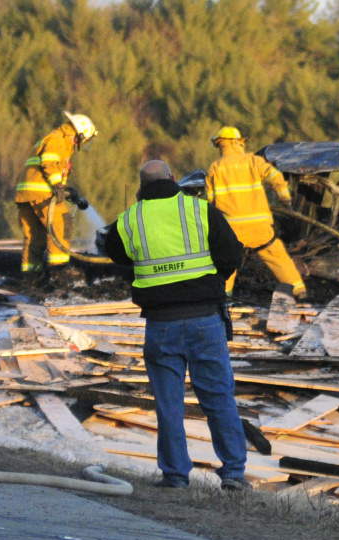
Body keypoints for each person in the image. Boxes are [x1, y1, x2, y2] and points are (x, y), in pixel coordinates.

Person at [104, 160, 251, 490]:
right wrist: (211, 283)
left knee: (168, 404)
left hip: (161, 324)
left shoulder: (129, 220)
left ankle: (174, 476)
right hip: (205, 320)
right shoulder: (201, 209)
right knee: (219, 399)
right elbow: (231, 254)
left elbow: (116, 254)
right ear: (173, 179)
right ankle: (233, 474)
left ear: (141, 186)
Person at [204, 126, 306, 298]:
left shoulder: (215, 168)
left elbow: (211, 201)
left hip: (232, 230)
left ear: (221, 146)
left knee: (226, 262)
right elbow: (276, 178)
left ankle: (224, 297)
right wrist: (285, 199)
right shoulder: (254, 162)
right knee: (277, 256)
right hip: (259, 228)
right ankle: (298, 290)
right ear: (238, 143)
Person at [15, 111, 97, 273]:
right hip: (41, 194)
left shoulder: (57, 140)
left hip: (27, 195)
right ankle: (60, 272)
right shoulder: (58, 140)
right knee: (61, 222)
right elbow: (49, 164)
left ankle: (31, 275)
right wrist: (58, 187)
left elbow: (52, 171)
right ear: (77, 134)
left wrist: (68, 191)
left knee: (34, 237)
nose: (78, 145)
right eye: (81, 140)